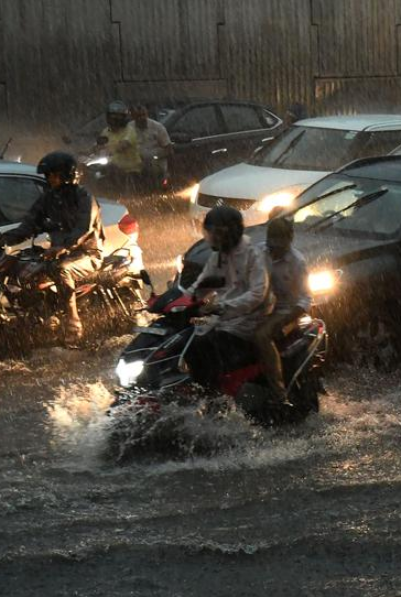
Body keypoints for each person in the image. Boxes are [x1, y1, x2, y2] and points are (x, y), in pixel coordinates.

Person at [0, 152, 104, 344]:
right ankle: (35, 317)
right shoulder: (48, 199)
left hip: (86, 254)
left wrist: (63, 247)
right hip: (56, 253)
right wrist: (2, 241)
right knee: (21, 268)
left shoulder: (84, 198)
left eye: (52, 174)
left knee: (60, 269)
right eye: (48, 175)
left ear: (66, 175)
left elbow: (84, 228)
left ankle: (73, 319)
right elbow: (28, 225)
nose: (49, 179)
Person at [185, 206, 271, 391]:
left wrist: (223, 307)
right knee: (186, 340)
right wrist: (177, 301)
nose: (213, 238)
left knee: (207, 345)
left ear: (231, 233)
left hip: (249, 318)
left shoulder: (252, 255)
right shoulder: (217, 256)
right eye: (210, 233)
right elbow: (200, 285)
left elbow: (257, 294)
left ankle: (217, 392)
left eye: (217, 233)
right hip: (222, 315)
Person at [253, 216, 311, 403]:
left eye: (279, 246)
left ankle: (279, 393)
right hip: (259, 306)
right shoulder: (258, 251)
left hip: (285, 312)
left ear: (288, 241)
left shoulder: (297, 262)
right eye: (272, 246)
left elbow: (305, 299)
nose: (275, 251)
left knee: (262, 336)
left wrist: (284, 320)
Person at [96, 101, 143, 185]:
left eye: (118, 117)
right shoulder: (106, 131)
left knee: (111, 174)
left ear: (123, 118)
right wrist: (87, 152)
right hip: (110, 169)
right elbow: (98, 145)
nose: (115, 119)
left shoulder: (129, 130)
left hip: (129, 171)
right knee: (93, 174)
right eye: (112, 116)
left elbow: (124, 144)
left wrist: (111, 150)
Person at [129, 104, 172, 188]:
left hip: (155, 164)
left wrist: (152, 156)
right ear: (133, 116)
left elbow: (168, 149)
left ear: (147, 114)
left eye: (143, 115)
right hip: (135, 164)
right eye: (138, 116)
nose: (141, 118)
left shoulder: (157, 127)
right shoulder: (129, 128)